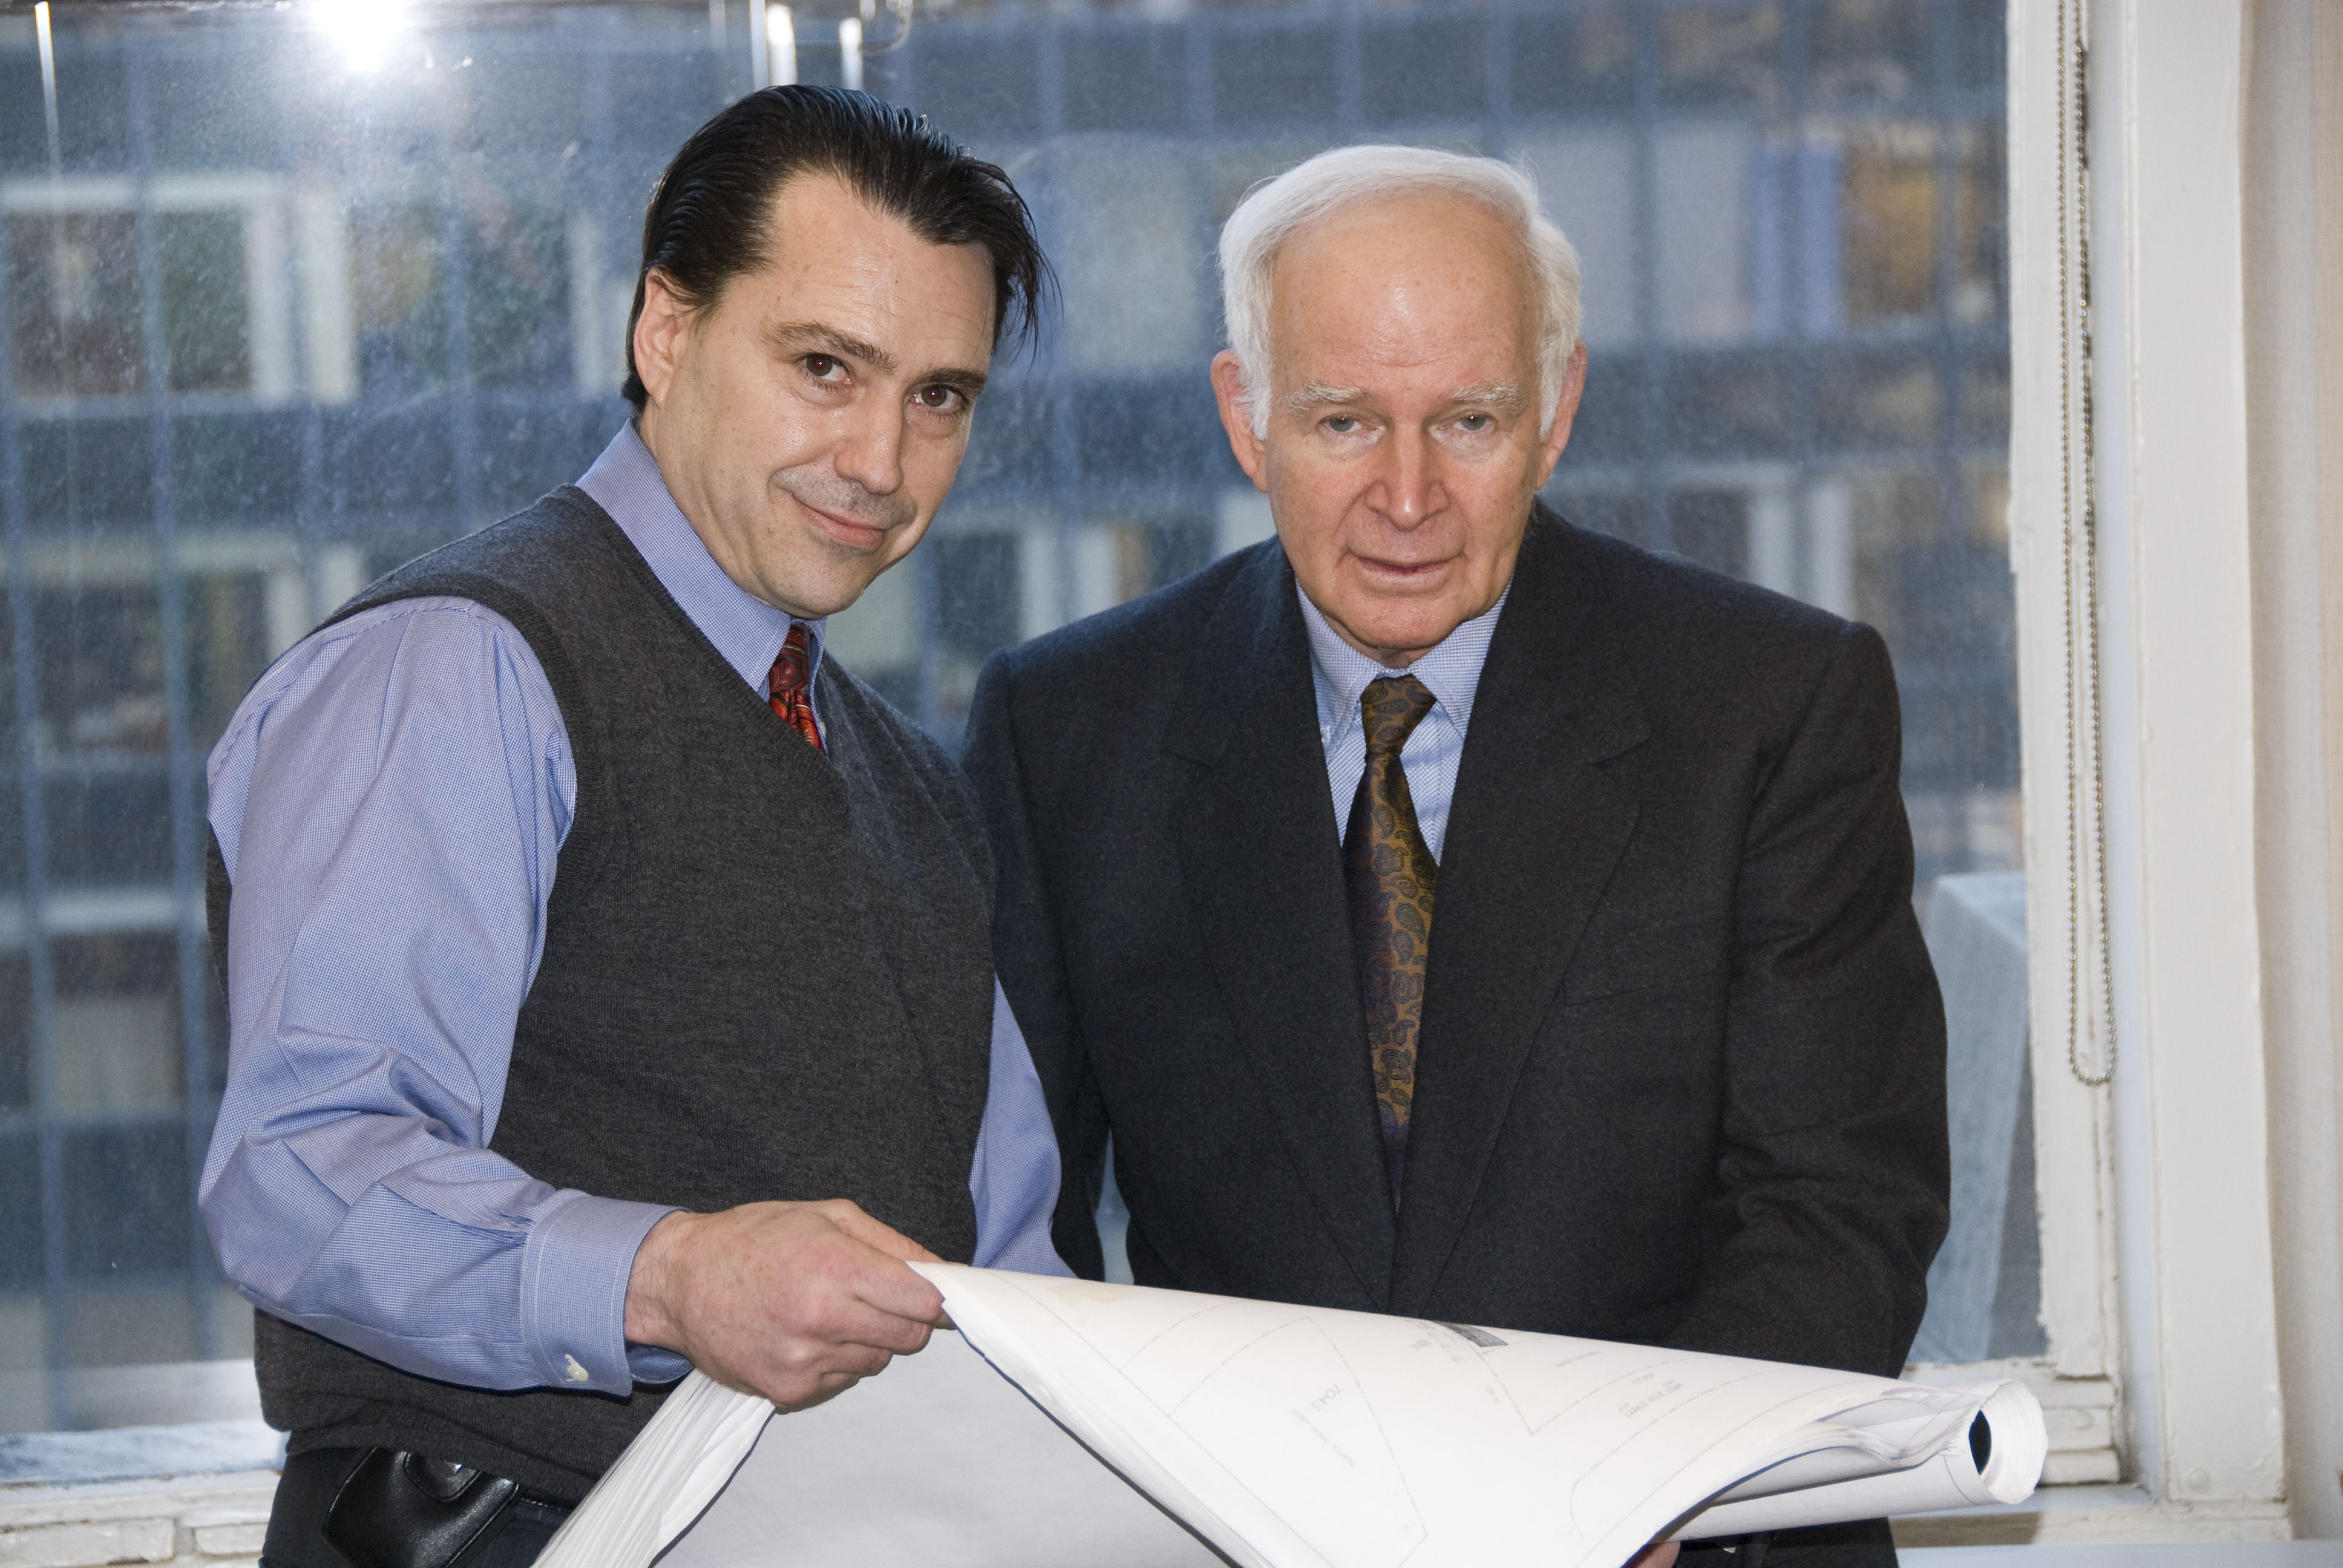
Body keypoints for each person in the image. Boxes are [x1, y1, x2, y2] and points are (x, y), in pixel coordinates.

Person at [962, 145, 1950, 1568]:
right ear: (1246, 419)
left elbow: (1841, 1205)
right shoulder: (1065, 731)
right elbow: (1016, 1242)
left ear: (1557, 413)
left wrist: (1645, 1487)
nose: (1408, 496)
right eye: (1344, 422)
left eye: (1469, 421)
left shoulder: (1772, 707)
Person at [201, 88, 1064, 1567]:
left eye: (939, 396)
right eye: (824, 366)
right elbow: (298, 1169)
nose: (880, 459)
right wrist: (667, 1279)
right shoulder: (461, 667)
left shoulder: (916, 786)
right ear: (665, 331)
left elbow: (1012, 1270)